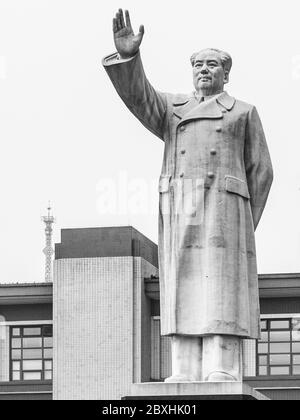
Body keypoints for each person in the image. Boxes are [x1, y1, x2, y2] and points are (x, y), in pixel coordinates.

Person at [103, 9, 273, 382]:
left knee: (220, 290)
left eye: (212, 65)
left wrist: (242, 224)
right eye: (198, 64)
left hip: (224, 213)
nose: (204, 70)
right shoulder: (172, 110)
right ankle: (183, 367)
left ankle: (221, 365)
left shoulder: (242, 112)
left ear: (226, 73)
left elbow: (262, 171)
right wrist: (130, 57)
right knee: (183, 285)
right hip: (182, 210)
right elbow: (139, 98)